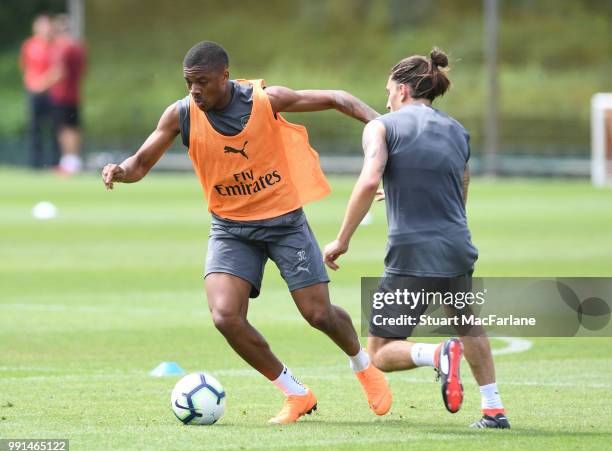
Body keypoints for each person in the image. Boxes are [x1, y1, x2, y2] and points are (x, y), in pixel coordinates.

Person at [102, 41, 391, 424]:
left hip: (284, 222)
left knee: (318, 314)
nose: (194, 91)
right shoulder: (182, 114)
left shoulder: (265, 100)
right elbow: (140, 163)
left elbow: (338, 98)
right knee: (225, 316)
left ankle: (363, 365)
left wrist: (389, 129)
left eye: (202, 82)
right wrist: (120, 171)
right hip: (231, 229)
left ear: (225, 76)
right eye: (189, 83)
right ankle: (296, 394)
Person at [323, 48, 510, 429]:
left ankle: (439, 354)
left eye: (389, 90)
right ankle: (494, 409)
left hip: (412, 251)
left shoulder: (381, 127)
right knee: (465, 318)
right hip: (457, 243)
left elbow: (370, 178)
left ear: (404, 91)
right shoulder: (457, 130)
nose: (387, 99)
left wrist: (341, 239)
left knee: (379, 350)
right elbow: (460, 181)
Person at [19, 14, 59, 169]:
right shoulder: (29, 45)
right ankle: (35, 164)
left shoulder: (56, 47)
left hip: (52, 92)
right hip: (34, 92)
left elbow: (58, 70)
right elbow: (26, 67)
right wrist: (33, 84)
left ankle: (55, 163)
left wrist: (44, 83)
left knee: (55, 129)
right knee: (35, 129)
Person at [49, 14, 87, 175]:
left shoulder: (63, 47)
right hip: (74, 93)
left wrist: (41, 84)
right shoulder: (78, 46)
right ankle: (73, 161)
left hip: (62, 94)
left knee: (65, 129)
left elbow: (59, 71)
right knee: (74, 128)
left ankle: (69, 163)